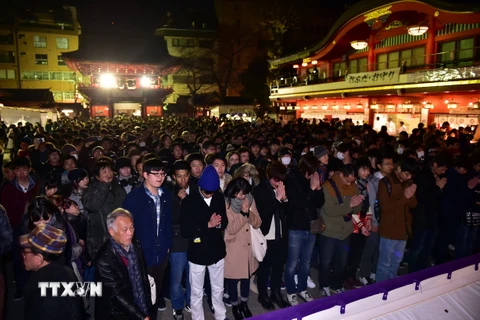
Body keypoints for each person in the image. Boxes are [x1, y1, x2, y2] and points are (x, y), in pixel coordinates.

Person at [123, 158, 172, 317]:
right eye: (155, 173)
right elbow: (126, 227)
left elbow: (169, 223)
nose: (160, 177)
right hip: (141, 253)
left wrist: (167, 245)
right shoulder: (133, 198)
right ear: (145, 174)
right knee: (140, 295)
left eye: (163, 173)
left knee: (155, 294)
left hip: (161, 253)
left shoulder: (167, 196)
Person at [180, 165, 228, 320]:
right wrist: (207, 225)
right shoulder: (189, 202)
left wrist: (219, 224)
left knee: (218, 288)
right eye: (207, 192)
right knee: (196, 290)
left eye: (212, 192)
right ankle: (197, 317)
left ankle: (221, 315)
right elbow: (185, 230)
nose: (209, 195)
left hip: (216, 251)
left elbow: (224, 221)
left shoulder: (219, 198)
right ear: (200, 187)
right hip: (198, 253)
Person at [95, 209, 153, 320]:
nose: (130, 233)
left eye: (132, 228)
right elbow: (117, 295)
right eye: (125, 230)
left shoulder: (135, 244)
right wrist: (140, 316)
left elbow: (143, 277)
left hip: (140, 302)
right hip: (119, 312)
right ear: (112, 231)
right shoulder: (104, 259)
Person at [284, 154, 324, 306]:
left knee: (306, 262)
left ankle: (302, 288)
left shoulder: (313, 179)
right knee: (293, 262)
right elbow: (297, 204)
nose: (313, 173)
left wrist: (318, 189)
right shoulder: (292, 178)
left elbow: (320, 203)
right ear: (304, 168)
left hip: (311, 226)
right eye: (311, 170)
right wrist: (312, 189)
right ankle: (291, 291)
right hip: (296, 226)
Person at [20, 224, 83, 320]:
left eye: (25, 252)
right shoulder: (66, 271)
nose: (23, 256)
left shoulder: (45, 299)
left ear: (38, 259)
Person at [253, 161, 289, 310]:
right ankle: (262, 295)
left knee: (278, 266)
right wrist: (277, 200)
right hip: (267, 235)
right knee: (264, 268)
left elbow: (288, 213)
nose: (278, 182)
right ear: (269, 176)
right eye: (276, 179)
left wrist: (285, 200)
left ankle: (275, 293)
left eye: (281, 179)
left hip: (280, 234)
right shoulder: (260, 190)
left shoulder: (281, 188)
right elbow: (263, 214)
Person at [224, 177, 262, 320]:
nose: (243, 196)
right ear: (233, 193)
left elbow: (258, 222)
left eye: (245, 193)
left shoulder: (250, 200)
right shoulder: (226, 204)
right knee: (233, 280)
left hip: (248, 247)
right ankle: (234, 305)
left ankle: (244, 304)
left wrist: (249, 212)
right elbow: (231, 229)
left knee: (246, 278)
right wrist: (243, 214)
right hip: (233, 248)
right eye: (240, 194)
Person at [376, 157, 418, 283]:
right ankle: (380, 291)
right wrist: (404, 197)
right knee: (385, 264)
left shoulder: (408, 182)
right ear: (398, 168)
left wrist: (409, 196)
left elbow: (413, 205)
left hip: (403, 231)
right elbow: (385, 208)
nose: (409, 177)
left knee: (396, 263)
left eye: (411, 174)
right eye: (407, 173)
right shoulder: (385, 183)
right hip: (389, 231)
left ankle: (392, 288)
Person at [83, 158, 126, 261]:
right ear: (97, 176)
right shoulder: (91, 190)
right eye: (104, 172)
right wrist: (104, 186)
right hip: (100, 238)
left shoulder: (118, 187)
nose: (108, 174)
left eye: (110, 170)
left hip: (119, 234)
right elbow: (92, 206)